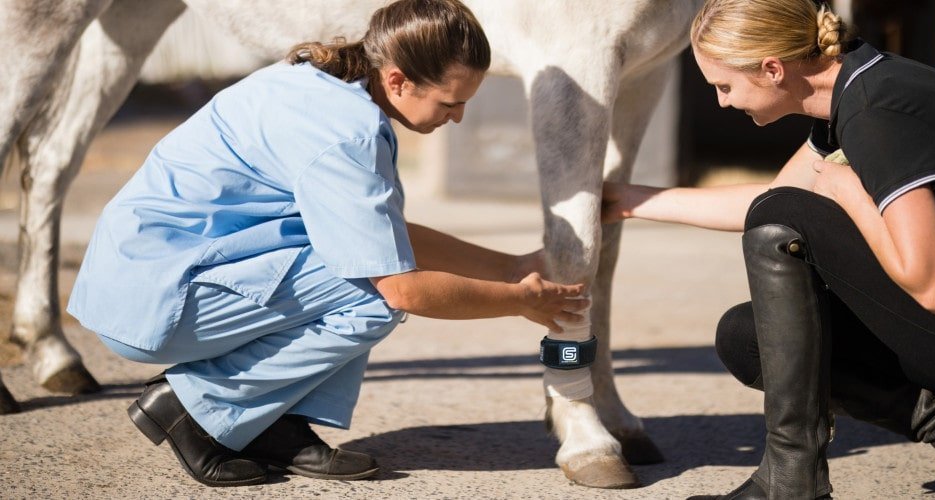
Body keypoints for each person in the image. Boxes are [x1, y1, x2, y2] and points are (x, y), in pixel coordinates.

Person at [67, 0, 588, 487]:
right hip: (156, 301)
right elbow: (402, 289)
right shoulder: (347, 133)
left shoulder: (321, 85)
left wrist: (511, 265)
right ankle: (193, 405)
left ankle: (271, 425)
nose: (458, 118)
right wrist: (522, 301)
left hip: (144, 276)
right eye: (451, 103)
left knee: (366, 260)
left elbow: (381, 234)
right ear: (398, 80)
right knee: (371, 297)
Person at [602, 0, 935, 498]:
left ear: (772, 69)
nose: (723, 102)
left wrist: (847, 190)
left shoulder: (878, 111)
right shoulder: (857, 88)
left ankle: (791, 481)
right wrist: (631, 201)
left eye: (723, 86)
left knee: (779, 222)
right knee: (747, 337)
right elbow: (773, 198)